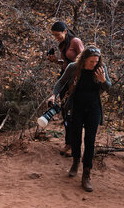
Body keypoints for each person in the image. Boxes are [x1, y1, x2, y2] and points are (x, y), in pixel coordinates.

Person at [49, 46, 111, 192]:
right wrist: (53, 94)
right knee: (76, 138)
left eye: (96, 61)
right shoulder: (74, 67)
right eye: (91, 61)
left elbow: (108, 87)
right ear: (84, 59)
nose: (94, 64)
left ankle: (86, 173)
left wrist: (103, 80)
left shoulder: (101, 68)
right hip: (76, 107)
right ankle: (76, 161)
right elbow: (61, 82)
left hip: (94, 109)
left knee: (90, 141)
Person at [47, 21, 84, 156]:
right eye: (54, 35)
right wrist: (56, 60)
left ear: (65, 31)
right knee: (65, 110)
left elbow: (83, 60)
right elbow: (66, 63)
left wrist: (76, 81)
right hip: (65, 77)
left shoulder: (75, 41)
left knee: (73, 112)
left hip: (75, 80)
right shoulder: (63, 44)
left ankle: (75, 145)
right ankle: (69, 143)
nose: (56, 37)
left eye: (58, 34)